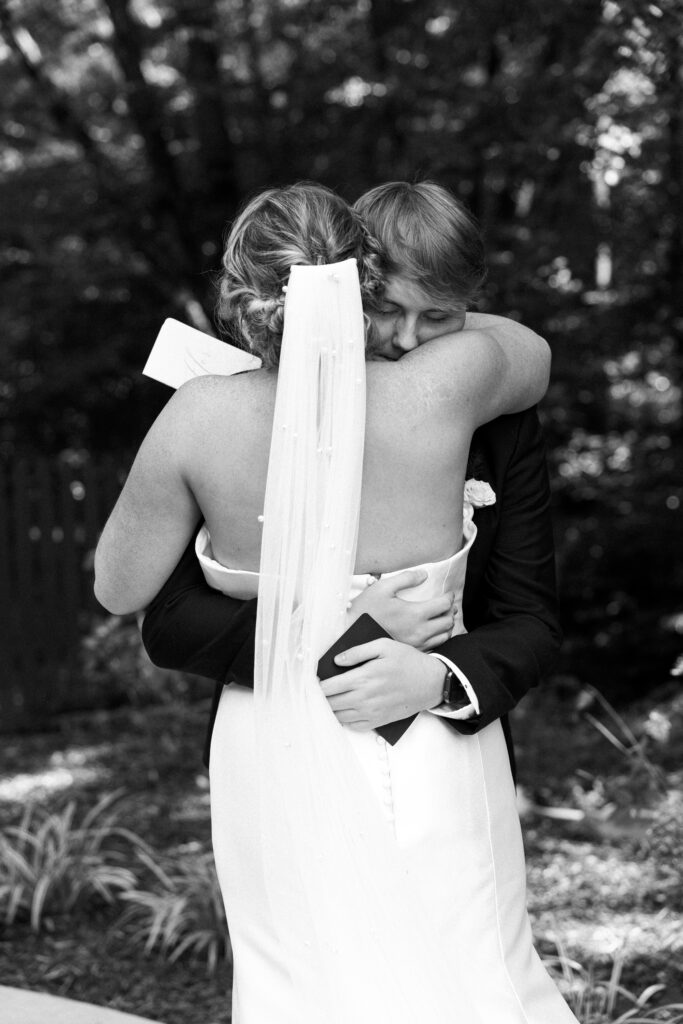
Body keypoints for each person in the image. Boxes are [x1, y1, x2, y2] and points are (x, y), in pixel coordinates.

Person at [95, 183, 577, 1023]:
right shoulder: (451, 387)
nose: (409, 337)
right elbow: (529, 350)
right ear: (358, 281)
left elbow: (119, 588)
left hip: (276, 740)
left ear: (245, 298)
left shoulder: (198, 417)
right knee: (470, 974)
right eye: (389, 306)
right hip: (427, 752)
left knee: (298, 984)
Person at [142, 182, 560, 778]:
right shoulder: (238, 418)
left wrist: (438, 679)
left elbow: (532, 619)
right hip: (275, 748)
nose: (409, 339)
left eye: (439, 316)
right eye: (386, 309)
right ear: (345, 288)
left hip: (446, 758)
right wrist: (328, 635)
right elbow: (172, 620)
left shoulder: (498, 421)